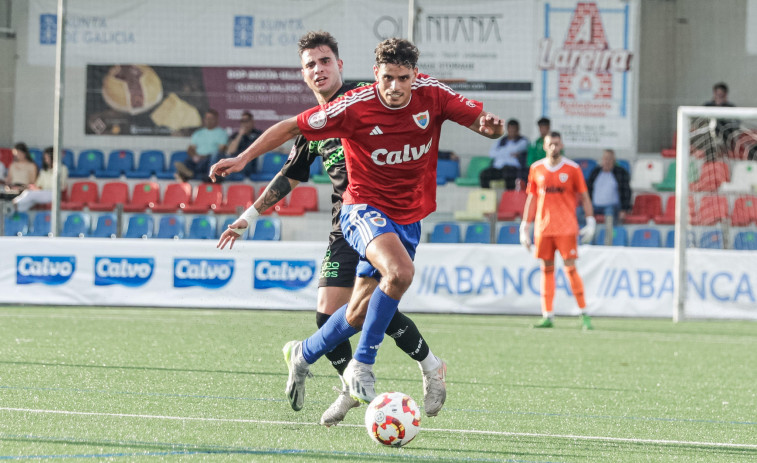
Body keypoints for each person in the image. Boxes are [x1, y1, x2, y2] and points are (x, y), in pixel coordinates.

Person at [210, 37, 504, 409]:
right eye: (387, 79)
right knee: (397, 275)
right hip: (359, 210)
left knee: (359, 310)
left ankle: (303, 355)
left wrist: (490, 128)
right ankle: (362, 368)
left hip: (408, 215)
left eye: (403, 78)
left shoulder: (430, 93)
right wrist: (242, 160)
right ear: (375, 75)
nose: (395, 88)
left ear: (414, 75)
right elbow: (289, 136)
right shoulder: (349, 107)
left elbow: (483, 124)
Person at [519, 132, 595, 330]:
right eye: (550, 144)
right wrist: (525, 227)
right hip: (543, 229)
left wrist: (590, 220)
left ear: (561, 145)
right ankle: (548, 315)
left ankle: (584, 313)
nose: (553, 147)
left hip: (567, 227)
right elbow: (532, 198)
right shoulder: (536, 169)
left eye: (556, 144)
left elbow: (584, 196)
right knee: (546, 271)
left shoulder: (572, 169)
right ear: (544, 146)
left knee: (570, 269)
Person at [175, 109, 228, 182]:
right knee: (187, 161)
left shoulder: (222, 133)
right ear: (204, 120)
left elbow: (221, 149)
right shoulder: (198, 133)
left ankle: (206, 175)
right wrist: (195, 156)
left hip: (209, 160)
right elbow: (190, 148)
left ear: (216, 120)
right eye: (207, 118)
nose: (209, 121)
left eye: (211, 119)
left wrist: (203, 157)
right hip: (197, 159)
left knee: (215, 156)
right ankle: (187, 173)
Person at [12, 146, 68, 212]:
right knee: (25, 204)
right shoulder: (44, 171)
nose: (46, 160)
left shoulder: (62, 168)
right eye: (45, 158)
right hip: (42, 193)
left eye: (47, 158)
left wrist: (40, 188)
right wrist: (35, 188)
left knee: (29, 194)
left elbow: (60, 185)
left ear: (53, 157)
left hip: (54, 194)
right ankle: (15, 214)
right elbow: (38, 184)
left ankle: (12, 203)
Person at [479, 119, 528, 189]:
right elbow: (491, 154)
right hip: (498, 168)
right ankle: (488, 196)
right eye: (510, 128)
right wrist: (508, 152)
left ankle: (509, 197)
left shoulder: (523, 141)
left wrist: (500, 151)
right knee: (484, 174)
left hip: (512, 169)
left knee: (508, 174)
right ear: (507, 129)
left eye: (514, 128)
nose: (512, 131)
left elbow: (516, 149)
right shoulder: (501, 141)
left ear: (518, 129)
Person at [586, 149, 631, 223]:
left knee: (609, 213)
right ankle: (586, 233)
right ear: (602, 159)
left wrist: (624, 209)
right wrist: (587, 206)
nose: (607, 161)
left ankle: (608, 234)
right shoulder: (595, 172)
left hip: (611, 206)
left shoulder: (621, 173)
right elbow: (588, 190)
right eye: (605, 159)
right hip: (594, 206)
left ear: (614, 161)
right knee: (579, 212)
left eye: (610, 159)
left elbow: (626, 192)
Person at [702, 82, 738, 153]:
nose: (718, 97)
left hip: (725, 136)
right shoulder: (707, 105)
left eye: (721, 95)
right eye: (717, 95)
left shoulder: (730, 107)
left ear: (725, 95)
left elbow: (736, 124)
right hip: (707, 137)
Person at [224, 111, 263, 177]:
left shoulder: (258, 134)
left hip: (251, 161)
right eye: (242, 121)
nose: (245, 124)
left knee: (246, 162)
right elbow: (230, 151)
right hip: (237, 160)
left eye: (247, 121)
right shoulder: (236, 135)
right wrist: (240, 135)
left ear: (252, 122)